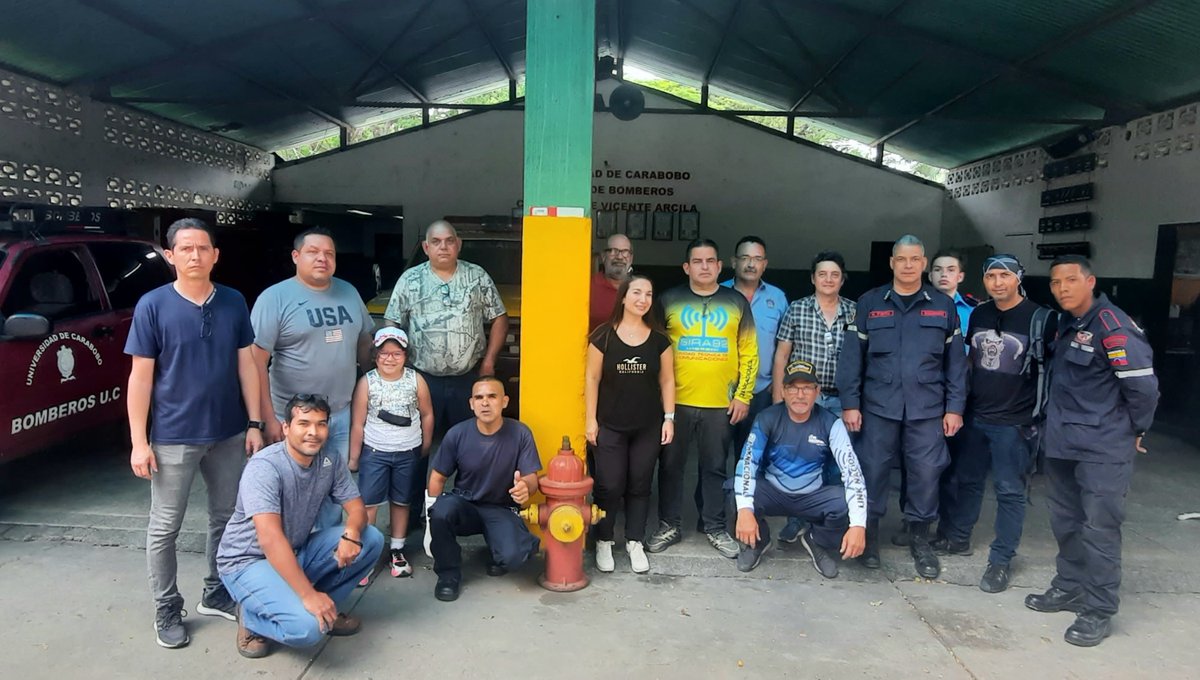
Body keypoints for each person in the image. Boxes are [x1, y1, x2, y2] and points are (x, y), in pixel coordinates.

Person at [125, 217, 263, 649]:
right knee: (165, 527)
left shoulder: (234, 302)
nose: (195, 255)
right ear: (170, 256)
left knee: (226, 518)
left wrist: (255, 422)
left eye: (203, 248)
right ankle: (167, 607)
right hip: (173, 437)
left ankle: (216, 591)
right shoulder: (153, 305)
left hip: (227, 433)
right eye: (185, 249)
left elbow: (248, 365)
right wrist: (138, 441)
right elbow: (141, 378)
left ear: (215, 255)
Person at [1025, 255, 1158, 647]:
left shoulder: (1113, 328)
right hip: (1063, 443)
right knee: (1065, 522)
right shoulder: (1068, 323)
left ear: (1090, 281)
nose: (1062, 288)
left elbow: (1143, 389)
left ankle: (1098, 609)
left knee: (1100, 529)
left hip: (1102, 448)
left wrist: (1137, 428)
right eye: (1055, 282)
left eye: (1070, 280)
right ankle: (1069, 586)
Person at [837, 234, 967, 579]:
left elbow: (956, 364)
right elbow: (851, 360)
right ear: (892, 263)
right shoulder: (869, 302)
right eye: (901, 260)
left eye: (915, 260)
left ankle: (919, 538)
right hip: (878, 406)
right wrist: (850, 403)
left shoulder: (943, 305)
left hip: (928, 409)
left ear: (923, 264)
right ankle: (871, 537)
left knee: (926, 473)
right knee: (873, 471)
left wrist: (955, 408)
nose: (908, 266)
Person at [217, 394, 383, 659]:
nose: (313, 432)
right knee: (308, 629)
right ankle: (251, 617)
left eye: (321, 424)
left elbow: (356, 508)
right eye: (304, 423)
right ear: (286, 428)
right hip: (247, 561)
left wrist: (351, 534)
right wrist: (307, 595)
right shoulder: (265, 467)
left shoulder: (328, 459)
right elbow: (270, 539)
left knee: (371, 538)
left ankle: (326, 608)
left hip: (295, 551)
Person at [935, 254, 1055, 593]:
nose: (998, 282)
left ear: (1019, 278)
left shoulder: (1041, 319)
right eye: (991, 276)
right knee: (967, 481)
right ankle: (959, 538)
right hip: (976, 416)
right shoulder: (979, 314)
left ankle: (1001, 560)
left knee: (1010, 492)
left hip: (1016, 423)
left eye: (1005, 275)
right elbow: (970, 362)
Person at [385, 220, 508, 527]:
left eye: (449, 241)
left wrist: (489, 362)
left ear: (458, 244)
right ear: (426, 247)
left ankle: (468, 513)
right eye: (436, 242)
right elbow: (391, 324)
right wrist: (396, 366)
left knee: (471, 448)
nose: (443, 247)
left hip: (468, 378)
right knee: (417, 447)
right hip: (422, 379)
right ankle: (411, 517)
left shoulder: (476, 277)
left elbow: (499, 318)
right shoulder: (410, 280)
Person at [250, 227, 373, 529]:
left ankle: (326, 560)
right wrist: (266, 418)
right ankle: (289, 564)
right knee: (290, 495)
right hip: (291, 419)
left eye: (329, 253)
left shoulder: (349, 292)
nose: (322, 258)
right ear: (296, 256)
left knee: (334, 493)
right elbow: (255, 362)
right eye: (313, 252)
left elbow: (365, 344)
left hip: (341, 416)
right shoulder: (275, 298)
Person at [648, 239, 757, 558]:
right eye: (698, 261)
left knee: (714, 467)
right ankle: (669, 524)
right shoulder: (669, 300)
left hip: (720, 404)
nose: (705, 266)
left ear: (720, 265)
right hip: (675, 402)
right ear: (687, 267)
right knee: (670, 466)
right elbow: (654, 349)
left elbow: (749, 351)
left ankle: (714, 526)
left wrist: (743, 395)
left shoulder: (736, 301)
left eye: (711, 261)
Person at [731, 360, 867, 578]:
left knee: (844, 503)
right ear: (783, 391)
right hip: (773, 491)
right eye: (793, 388)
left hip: (813, 496)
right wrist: (745, 511)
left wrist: (859, 525)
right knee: (734, 493)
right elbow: (747, 463)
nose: (800, 395)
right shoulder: (767, 418)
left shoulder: (832, 423)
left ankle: (817, 542)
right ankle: (759, 541)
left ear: (817, 392)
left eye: (806, 388)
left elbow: (853, 473)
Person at [585, 273, 676, 574]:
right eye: (636, 292)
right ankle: (604, 539)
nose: (643, 299)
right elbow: (592, 379)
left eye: (648, 294)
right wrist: (590, 421)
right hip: (609, 424)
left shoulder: (660, 340)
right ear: (623, 297)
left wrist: (669, 418)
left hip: (648, 426)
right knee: (609, 485)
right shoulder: (603, 336)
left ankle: (634, 541)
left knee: (639, 484)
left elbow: (667, 381)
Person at [425, 377, 541, 602]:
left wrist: (525, 487)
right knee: (441, 512)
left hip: (500, 508)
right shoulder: (457, 434)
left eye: (492, 396)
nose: (485, 403)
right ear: (471, 403)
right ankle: (448, 574)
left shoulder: (520, 433)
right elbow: (437, 477)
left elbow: (531, 478)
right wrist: (432, 520)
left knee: (515, 557)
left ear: (505, 401)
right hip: (464, 505)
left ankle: (499, 551)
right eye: (479, 397)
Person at [772, 250, 856, 543]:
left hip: (841, 400)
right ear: (813, 278)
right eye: (822, 274)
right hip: (803, 399)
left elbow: (863, 359)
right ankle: (796, 521)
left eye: (834, 274)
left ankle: (824, 525)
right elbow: (782, 354)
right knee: (801, 461)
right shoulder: (797, 309)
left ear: (842, 279)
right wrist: (778, 398)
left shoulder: (854, 312)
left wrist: (856, 403)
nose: (828, 279)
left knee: (836, 464)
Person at [348, 327, 434, 583]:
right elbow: (357, 423)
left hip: (407, 452)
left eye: (396, 353)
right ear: (375, 355)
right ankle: (367, 554)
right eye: (384, 353)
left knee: (402, 501)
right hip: (375, 452)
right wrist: (354, 457)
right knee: (369, 504)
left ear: (406, 356)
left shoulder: (415, 380)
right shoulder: (367, 382)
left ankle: (397, 549)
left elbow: (427, 414)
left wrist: (425, 445)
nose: (390, 358)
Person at [721, 236, 787, 459]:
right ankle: (712, 496)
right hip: (722, 390)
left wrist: (777, 387)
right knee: (713, 458)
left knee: (753, 458)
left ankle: (745, 496)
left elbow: (786, 346)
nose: (751, 264)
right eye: (745, 258)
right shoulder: (718, 294)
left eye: (757, 259)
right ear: (733, 261)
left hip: (762, 392)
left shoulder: (778, 298)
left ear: (765, 264)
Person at [590, 233, 633, 332]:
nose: (619, 257)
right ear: (603, 256)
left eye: (625, 252)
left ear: (631, 258)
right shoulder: (588, 287)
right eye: (614, 251)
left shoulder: (640, 290)